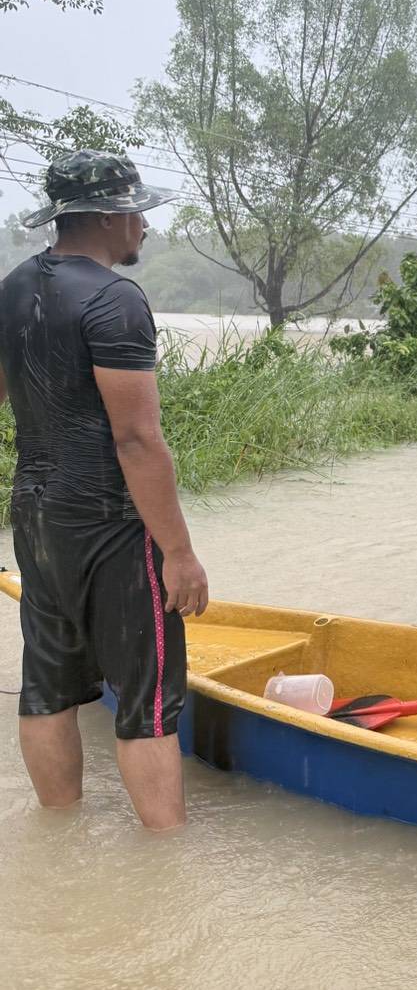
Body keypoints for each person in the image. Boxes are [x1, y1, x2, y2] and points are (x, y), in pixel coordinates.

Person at [0, 150, 210, 830]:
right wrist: (178, 554)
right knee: (148, 700)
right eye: (139, 213)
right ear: (113, 217)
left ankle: (59, 839)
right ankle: (166, 863)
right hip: (109, 522)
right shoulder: (115, 300)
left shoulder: (11, 288)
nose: (145, 227)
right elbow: (137, 442)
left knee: (49, 685)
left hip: (34, 512)